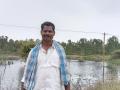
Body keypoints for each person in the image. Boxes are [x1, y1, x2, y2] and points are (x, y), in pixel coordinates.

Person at [21, 21, 70, 90]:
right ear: (41, 32)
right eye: (45, 31)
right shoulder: (33, 52)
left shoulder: (60, 52)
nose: (47, 33)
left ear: (54, 33)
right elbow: (25, 76)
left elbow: (66, 77)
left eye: (50, 31)